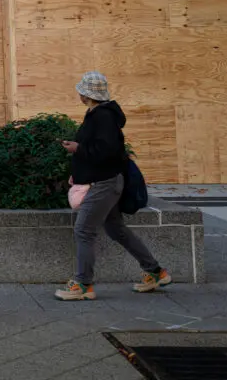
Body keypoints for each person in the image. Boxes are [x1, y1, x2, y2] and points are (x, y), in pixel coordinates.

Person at [55, 71, 171, 301]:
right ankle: (156, 272)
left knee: (84, 230)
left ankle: (83, 284)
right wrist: (78, 173)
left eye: (81, 90)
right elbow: (99, 151)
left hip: (104, 183)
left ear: (86, 94)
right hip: (102, 180)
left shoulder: (103, 117)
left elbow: (106, 152)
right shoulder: (97, 114)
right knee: (116, 229)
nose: (78, 94)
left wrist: (77, 149)